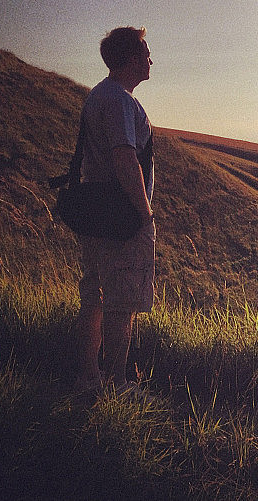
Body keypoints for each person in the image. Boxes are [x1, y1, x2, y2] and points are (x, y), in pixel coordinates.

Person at [74, 26, 155, 393]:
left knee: (93, 295)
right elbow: (125, 158)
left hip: (92, 211)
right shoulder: (121, 100)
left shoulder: (98, 96)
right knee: (121, 303)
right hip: (120, 217)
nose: (151, 60)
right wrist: (145, 212)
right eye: (146, 53)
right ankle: (117, 384)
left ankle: (88, 377)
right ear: (132, 58)